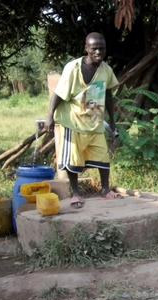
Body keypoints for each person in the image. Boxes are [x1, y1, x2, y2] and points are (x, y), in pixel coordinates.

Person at [45, 32, 122, 208]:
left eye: (101, 49)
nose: (98, 52)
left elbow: (108, 96)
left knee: (103, 156)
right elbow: (58, 95)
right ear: (86, 48)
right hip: (73, 121)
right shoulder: (72, 68)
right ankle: (76, 194)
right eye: (94, 48)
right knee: (74, 159)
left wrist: (112, 121)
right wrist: (49, 117)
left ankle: (105, 190)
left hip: (94, 120)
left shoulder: (106, 70)